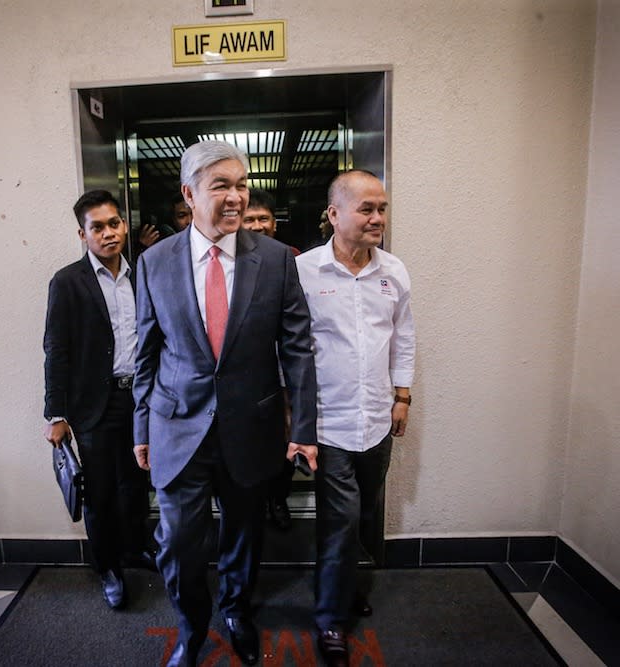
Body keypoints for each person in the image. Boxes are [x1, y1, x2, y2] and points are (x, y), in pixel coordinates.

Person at [132, 141, 319, 667]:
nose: (237, 197)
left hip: (251, 425)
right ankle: (191, 627)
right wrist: (140, 429)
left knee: (243, 535)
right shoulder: (153, 262)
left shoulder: (278, 261)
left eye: (242, 185)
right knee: (178, 544)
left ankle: (237, 611)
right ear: (190, 195)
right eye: (222, 186)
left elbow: (298, 349)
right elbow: (145, 353)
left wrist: (302, 426)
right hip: (177, 426)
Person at [294, 170, 415, 667]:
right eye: (366, 209)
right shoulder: (303, 271)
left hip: (378, 420)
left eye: (381, 208)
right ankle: (331, 620)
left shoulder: (394, 272)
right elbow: (290, 350)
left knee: (365, 516)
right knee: (339, 523)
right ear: (334, 214)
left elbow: (403, 336)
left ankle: (343, 589)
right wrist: (294, 421)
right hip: (329, 425)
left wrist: (403, 395)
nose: (377, 219)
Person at [43, 189, 156, 611]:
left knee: (136, 486)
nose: (108, 233)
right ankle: (108, 568)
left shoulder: (144, 272)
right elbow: (56, 350)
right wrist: (56, 414)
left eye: (114, 224)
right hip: (94, 406)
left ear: (124, 225)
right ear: (82, 233)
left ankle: (134, 550)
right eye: (97, 227)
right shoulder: (68, 281)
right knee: (101, 493)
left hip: (140, 401)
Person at [243, 188, 298, 532]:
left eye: (264, 219)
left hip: (283, 372)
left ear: (274, 224)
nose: (258, 225)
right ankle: (252, 503)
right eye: (250, 219)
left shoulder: (290, 258)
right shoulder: (228, 263)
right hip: (248, 375)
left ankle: (278, 498)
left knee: (285, 439)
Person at [243, 188, 300, 256]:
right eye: (249, 220)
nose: (257, 227)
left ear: (274, 224)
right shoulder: (230, 258)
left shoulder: (290, 254)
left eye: (263, 219)